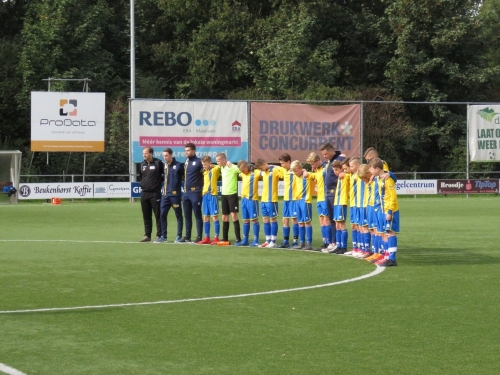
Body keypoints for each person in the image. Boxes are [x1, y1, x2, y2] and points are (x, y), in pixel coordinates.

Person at [369, 158, 399, 267]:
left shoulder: (387, 179)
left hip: (390, 210)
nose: (370, 172)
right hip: (383, 209)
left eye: (371, 169)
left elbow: (393, 197)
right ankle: (387, 257)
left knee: (390, 233)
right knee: (386, 233)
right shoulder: (380, 179)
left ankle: (392, 259)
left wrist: (390, 211)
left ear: (377, 169)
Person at [254, 158, 285, 248]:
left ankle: (273, 241)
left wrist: (276, 166)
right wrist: (261, 170)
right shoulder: (264, 172)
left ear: (264, 164)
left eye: (261, 168)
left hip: (272, 200)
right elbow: (256, 171)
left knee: (272, 220)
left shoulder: (274, 170)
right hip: (263, 199)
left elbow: (283, 174)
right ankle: (268, 240)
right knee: (265, 220)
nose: (260, 170)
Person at [155, 148, 184, 243]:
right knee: (162, 215)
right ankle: (164, 236)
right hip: (165, 196)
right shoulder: (163, 166)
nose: (165, 157)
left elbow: (187, 175)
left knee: (178, 215)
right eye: (163, 156)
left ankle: (179, 236)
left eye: (166, 155)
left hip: (175, 196)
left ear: (171, 155)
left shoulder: (179, 165)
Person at [305, 152, 332, 252]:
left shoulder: (326, 167)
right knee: (321, 221)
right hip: (319, 198)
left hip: (326, 198)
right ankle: (325, 242)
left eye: (313, 164)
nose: (312, 166)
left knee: (326, 220)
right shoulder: (318, 169)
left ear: (317, 160)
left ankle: (330, 242)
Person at [320, 142, 345, 248]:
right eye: (323, 154)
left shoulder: (340, 159)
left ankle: (337, 243)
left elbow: (347, 170)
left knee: (336, 219)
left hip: (335, 193)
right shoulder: (330, 161)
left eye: (326, 154)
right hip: (328, 192)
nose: (324, 156)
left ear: (331, 151)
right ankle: (333, 242)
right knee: (331, 219)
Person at [178, 143, 204, 243]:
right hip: (186, 193)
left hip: (195, 192)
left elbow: (206, 172)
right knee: (187, 216)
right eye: (185, 151)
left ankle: (199, 236)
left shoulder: (199, 162)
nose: (186, 152)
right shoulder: (186, 161)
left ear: (193, 151)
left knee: (197, 215)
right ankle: (187, 236)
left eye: (188, 150)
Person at [139, 146, 164, 242]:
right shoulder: (142, 164)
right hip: (144, 193)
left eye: (146, 153)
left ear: (151, 153)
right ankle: (147, 235)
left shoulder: (158, 163)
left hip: (155, 193)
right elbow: (142, 177)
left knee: (158, 215)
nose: (144, 155)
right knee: (146, 215)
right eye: (143, 153)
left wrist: (156, 183)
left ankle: (159, 235)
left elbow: (164, 175)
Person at [216, 153, 242, 245]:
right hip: (224, 195)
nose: (217, 162)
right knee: (224, 216)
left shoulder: (232, 166)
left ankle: (238, 239)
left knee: (234, 216)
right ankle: (225, 238)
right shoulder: (221, 168)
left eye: (218, 161)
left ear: (224, 160)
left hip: (232, 194)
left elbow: (241, 171)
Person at [235, 160, 261, 246]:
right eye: (241, 170)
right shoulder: (242, 174)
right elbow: (238, 173)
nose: (242, 171)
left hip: (252, 200)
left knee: (254, 220)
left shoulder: (255, 173)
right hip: (244, 199)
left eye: (243, 169)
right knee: (245, 220)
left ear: (247, 167)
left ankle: (256, 240)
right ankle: (245, 239)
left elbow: (265, 171)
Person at [290, 160, 314, 250]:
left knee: (307, 222)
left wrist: (305, 171)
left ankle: (309, 243)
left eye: (296, 171)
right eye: (293, 171)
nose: (294, 173)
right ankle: (302, 243)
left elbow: (312, 175)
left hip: (305, 201)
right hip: (298, 201)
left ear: (300, 169)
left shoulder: (306, 175)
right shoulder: (295, 176)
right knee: (300, 223)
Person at [197, 156, 221, 244]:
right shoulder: (205, 172)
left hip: (212, 195)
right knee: (205, 217)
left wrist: (213, 165)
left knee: (214, 216)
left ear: (210, 163)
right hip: (205, 196)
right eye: (203, 164)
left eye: (205, 164)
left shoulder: (214, 170)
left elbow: (220, 166)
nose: (204, 166)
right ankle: (207, 237)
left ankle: (216, 237)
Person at [278, 153, 299, 248]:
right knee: (284, 220)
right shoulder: (284, 171)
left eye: (283, 163)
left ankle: (295, 241)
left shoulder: (295, 171)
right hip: (286, 199)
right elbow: (273, 168)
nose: (281, 165)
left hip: (293, 199)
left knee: (294, 219)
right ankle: (285, 241)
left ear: (289, 162)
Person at [331, 160, 350, 254]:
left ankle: (344, 246)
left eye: (336, 170)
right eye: (334, 170)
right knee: (337, 224)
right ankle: (339, 245)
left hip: (342, 202)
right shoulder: (339, 177)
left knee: (341, 224)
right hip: (337, 203)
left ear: (342, 169)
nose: (335, 172)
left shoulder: (346, 176)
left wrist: (344, 173)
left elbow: (350, 174)